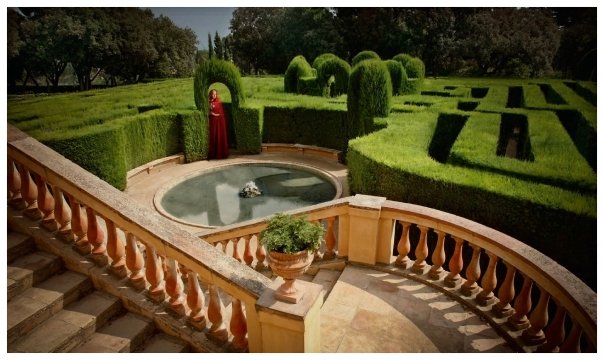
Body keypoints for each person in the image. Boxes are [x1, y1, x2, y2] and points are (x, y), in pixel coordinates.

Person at [208, 89, 230, 159]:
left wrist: (215, 114)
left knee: (218, 136)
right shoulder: (208, 102)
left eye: (215, 94)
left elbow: (221, 114)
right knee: (213, 136)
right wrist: (210, 112)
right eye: (213, 94)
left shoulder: (218, 102)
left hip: (218, 122)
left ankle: (220, 153)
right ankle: (213, 154)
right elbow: (207, 111)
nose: (214, 95)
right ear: (211, 94)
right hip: (212, 122)